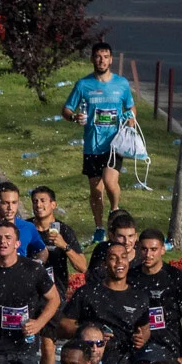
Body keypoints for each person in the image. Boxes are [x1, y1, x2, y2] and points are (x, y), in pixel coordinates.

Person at [61, 41, 135, 238]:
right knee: (96, 190)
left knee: (110, 182)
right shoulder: (83, 85)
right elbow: (67, 109)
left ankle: (115, 210)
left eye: (105, 56)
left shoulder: (121, 84)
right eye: (98, 56)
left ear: (111, 59)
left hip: (114, 144)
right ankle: (99, 228)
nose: (102, 60)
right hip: (92, 145)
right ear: (92, 59)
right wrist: (74, 117)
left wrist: (131, 120)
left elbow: (130, 107)